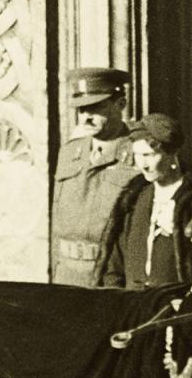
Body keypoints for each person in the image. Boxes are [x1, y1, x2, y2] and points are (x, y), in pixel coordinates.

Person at [95, 113, 192, 298]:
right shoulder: (135, 198)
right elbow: (115, 264)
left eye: (149, 155)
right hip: (137, 312)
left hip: (180, 314)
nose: (143, 165)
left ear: (172, 153)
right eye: (138, 155)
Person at [51, 67, 138, 286]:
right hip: (66, 276)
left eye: (95, 108)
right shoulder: (70, 152)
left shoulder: (139, 156)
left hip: (109, 278)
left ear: (120, 105)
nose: (85, 117)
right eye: (81, 110)